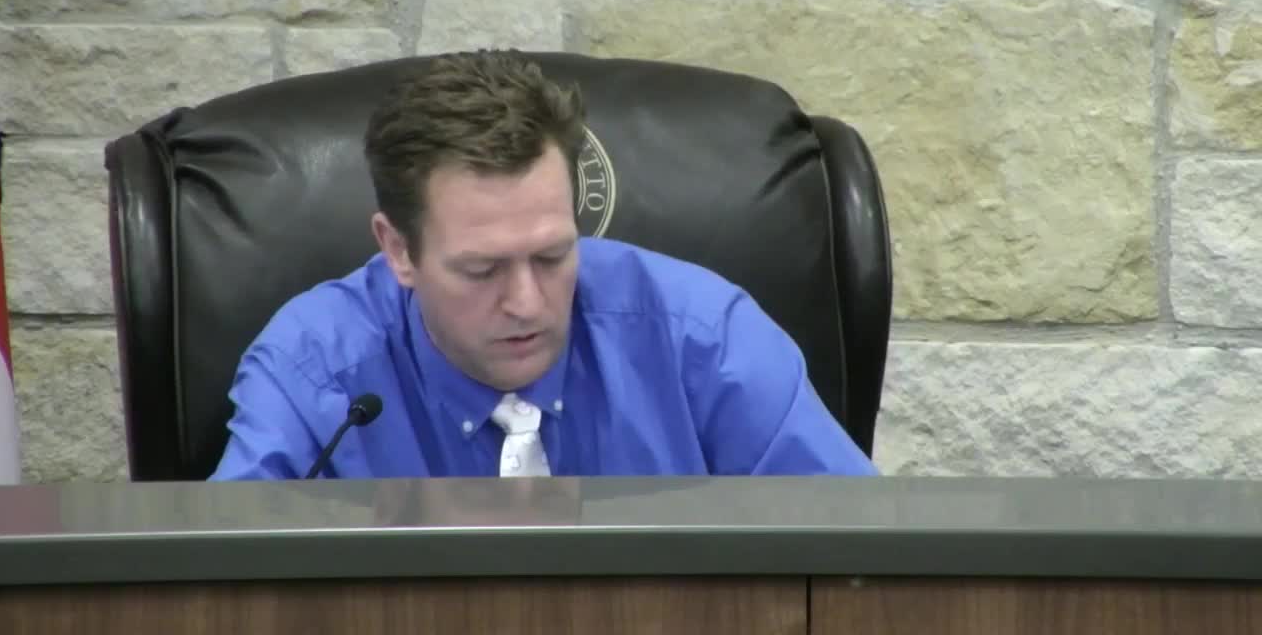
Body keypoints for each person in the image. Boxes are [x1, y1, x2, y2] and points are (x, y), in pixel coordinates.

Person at [209, 50, 877, 480]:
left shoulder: (702, 339)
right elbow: (225, 593)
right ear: (399, 251)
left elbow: (858, 559)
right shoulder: (313, 373)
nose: (527, 303)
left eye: (553, 255)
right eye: (482, 270)